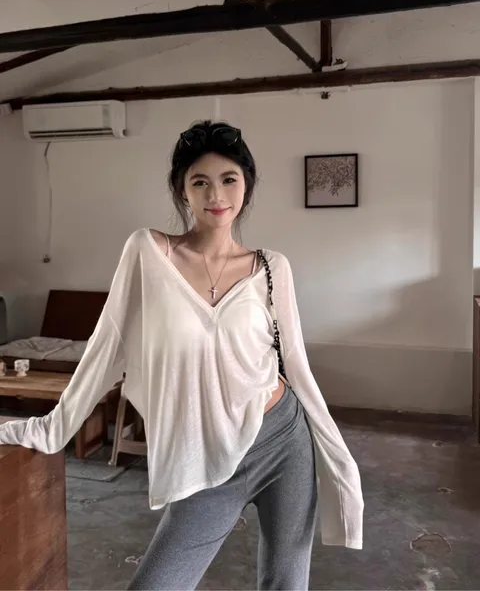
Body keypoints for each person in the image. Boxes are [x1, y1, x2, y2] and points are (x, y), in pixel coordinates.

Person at [0, 120, 364, 591]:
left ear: (247, 186)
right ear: (181, 190)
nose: (217, 194)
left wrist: (338, 454)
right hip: (205, 455)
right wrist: (54, 427)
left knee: (286, 584)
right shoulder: (149, 253)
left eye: (229, 179)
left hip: (282, 439)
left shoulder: (272, 267)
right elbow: (107, 345)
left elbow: (295, 364)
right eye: (200, 182)